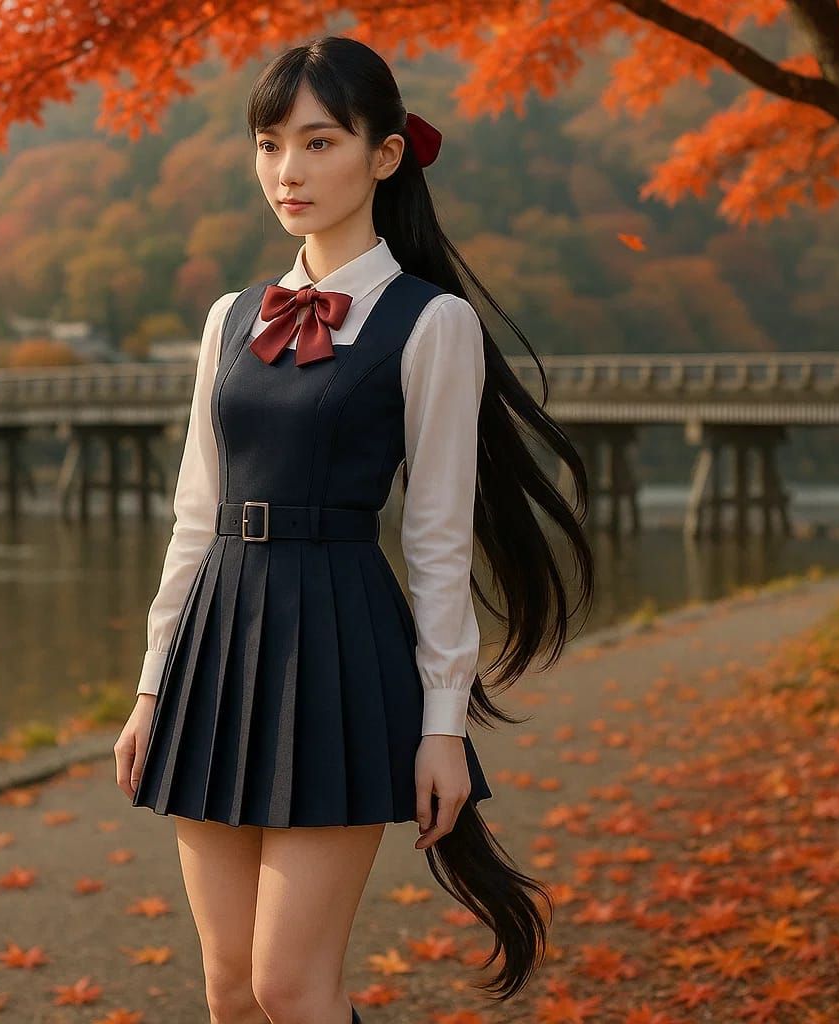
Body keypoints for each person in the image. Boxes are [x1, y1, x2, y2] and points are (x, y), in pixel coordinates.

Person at [113, 34, 594, 1023]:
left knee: (292, 985)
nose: (287, 171)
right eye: (270, 144)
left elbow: (436, 541)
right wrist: (153, 681)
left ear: (384, 156)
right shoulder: (227, 317)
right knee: (230, 991)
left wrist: (443, 728)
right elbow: (195, 511)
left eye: (320, 142)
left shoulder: (431, 324)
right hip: (216, 639)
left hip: (336, 643)